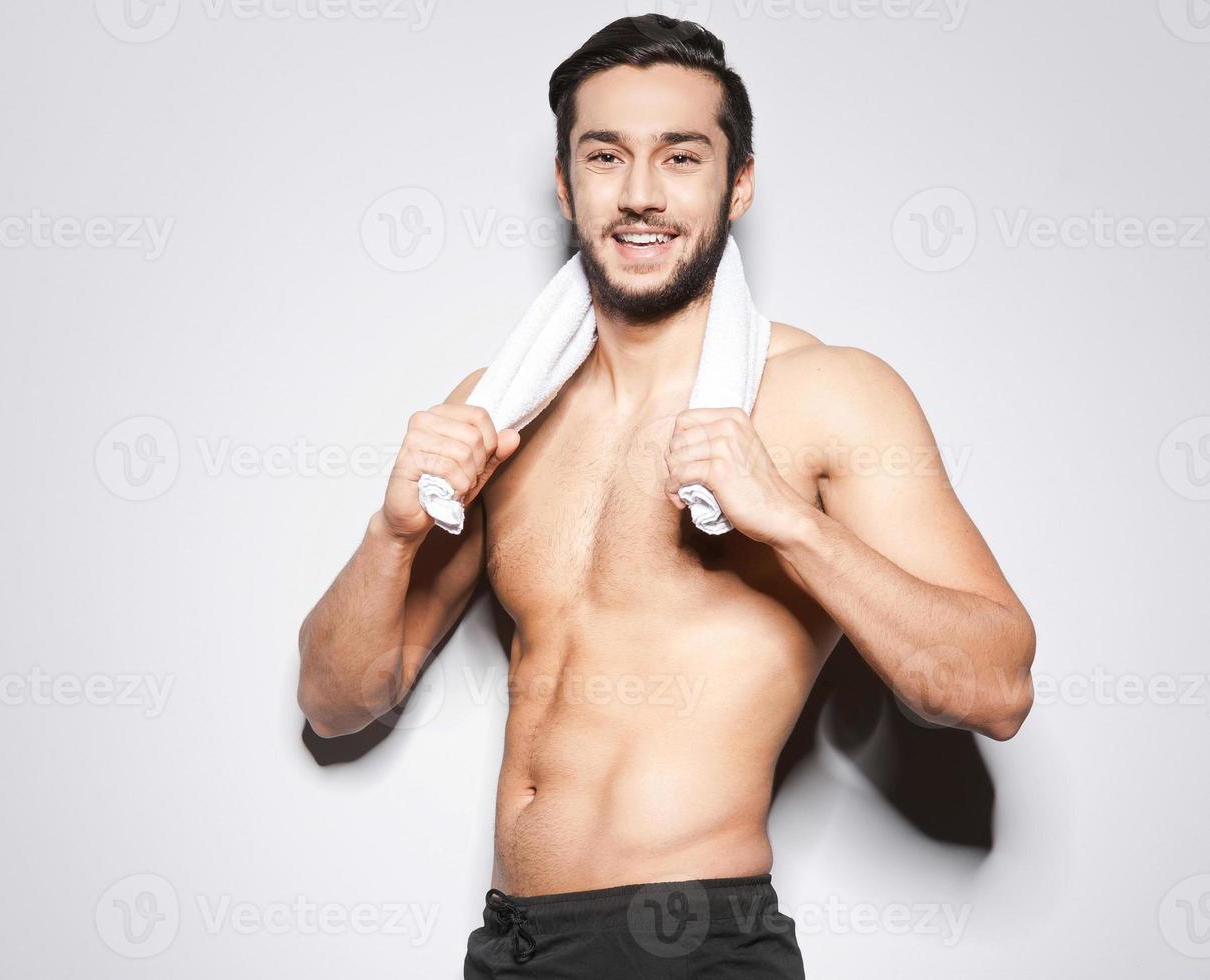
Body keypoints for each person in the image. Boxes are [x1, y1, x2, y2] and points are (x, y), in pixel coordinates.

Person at [296, 14, 1036, 977]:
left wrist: (787, 523)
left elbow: (995, 688)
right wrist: (390, 535)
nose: (640, 194)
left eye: (680, 156)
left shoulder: (825, 394)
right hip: (508, 943)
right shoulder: (499, 411)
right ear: (565, 184)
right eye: (605, 155)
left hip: (692, 942)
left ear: (739, 183)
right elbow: (335, 702)